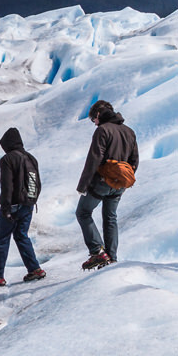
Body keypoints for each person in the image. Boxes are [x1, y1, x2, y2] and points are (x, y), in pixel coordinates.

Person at [76, 100, 139, 270]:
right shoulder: (129, 131)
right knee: (110, 217)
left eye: (93, 119)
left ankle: (98, 251)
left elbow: (94, 159)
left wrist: (83, 185)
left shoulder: (102, 130)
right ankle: (111, 257)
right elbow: (134, 161)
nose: (94, 123)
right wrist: (123, 180)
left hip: (101, 182)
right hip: (120, 184)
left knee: (83, 212)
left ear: (98, 114)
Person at [0, 128, 46, 287]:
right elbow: (37, 182)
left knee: (2, 238)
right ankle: (35, 269)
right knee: (22, 235)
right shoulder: (31, 158)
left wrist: (5, 206)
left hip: (13, 205)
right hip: (28, 204)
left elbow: (7, 185)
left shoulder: (8, 159)